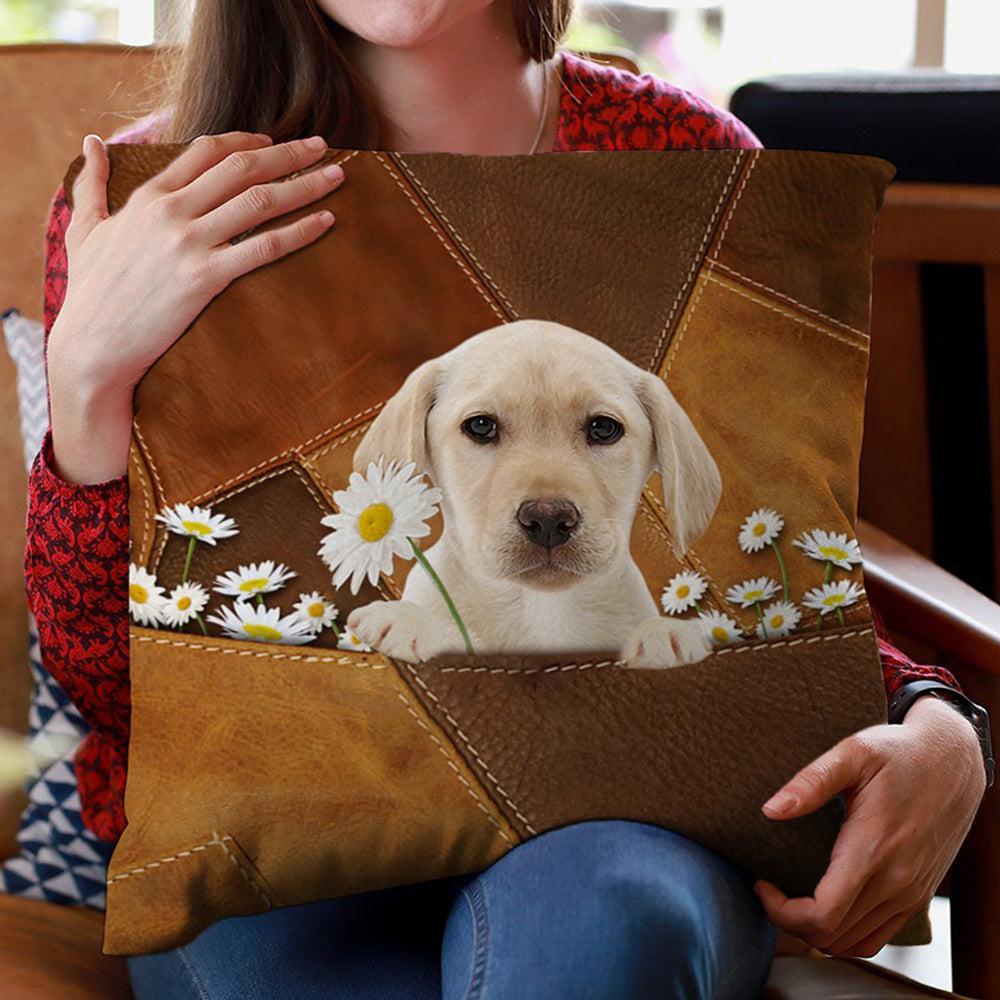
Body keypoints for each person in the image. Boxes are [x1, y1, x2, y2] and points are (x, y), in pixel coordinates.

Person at [25, 1, 987, 997]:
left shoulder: (690, 165)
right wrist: (89, 382)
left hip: (621, 816)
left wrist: (935, 714)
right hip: (276, 815)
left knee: (602, 921)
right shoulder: (155, 204)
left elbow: (764, 560)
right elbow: (106, 681)